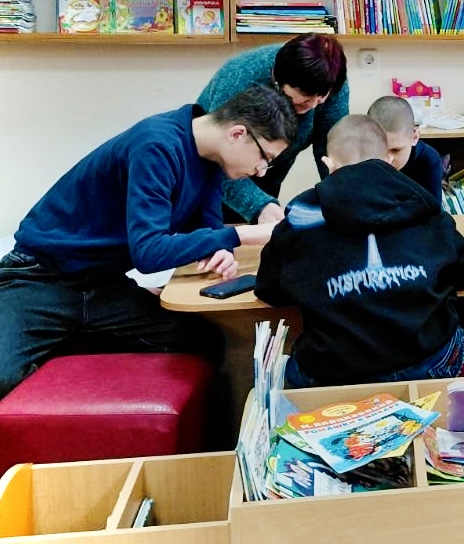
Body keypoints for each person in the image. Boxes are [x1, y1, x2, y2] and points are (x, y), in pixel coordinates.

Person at [0, 85, 296, 399]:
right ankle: (55, 336)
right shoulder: (156, 145)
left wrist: (219, 249)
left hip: (105, 285)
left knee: (205, 339)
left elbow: (208, 228)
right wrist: (242, 234)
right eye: (265, 158)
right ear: (237, 133)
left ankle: (62, 338)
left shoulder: (211, 159)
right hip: (41, 277)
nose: (260, 172)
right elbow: (149, 253)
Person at [256, 115, 464, 388]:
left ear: (328, 165)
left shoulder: (301, 215)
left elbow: (269, 289)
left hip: (338, 375)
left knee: (292, 365)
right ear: (388, 160)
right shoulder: (424, 204)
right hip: (428, 363)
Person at [198, 33, 349, 224]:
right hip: (211, 173)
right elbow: (217, 158)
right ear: (278, 82)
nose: (312, 106)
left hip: (271, 172)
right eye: (303, 101)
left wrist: (341, 200)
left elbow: (331, 152)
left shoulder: (330, 81)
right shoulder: (240, 78)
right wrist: (259, 205)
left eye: (319, 100)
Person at [367, 95, 442, 199]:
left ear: (414, 137)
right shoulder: (357, 156)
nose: (387, 160)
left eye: (395, 150)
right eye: (379, 149)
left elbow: (433, 208)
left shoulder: (429, 160)